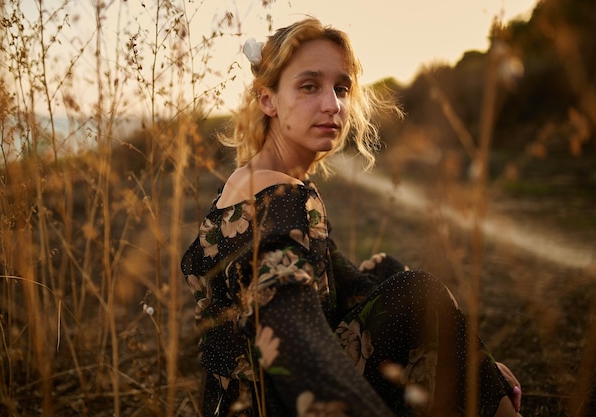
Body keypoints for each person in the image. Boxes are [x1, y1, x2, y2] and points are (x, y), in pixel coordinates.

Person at [181, 17, 522, 417]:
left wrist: (473, 366)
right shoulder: (281, 200)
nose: (333, 105)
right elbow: (292, 332)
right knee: (417, 292)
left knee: (386, 269)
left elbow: (346, 280)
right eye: (309, 86)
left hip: (234, 403)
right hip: (271, 404)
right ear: (268, 100)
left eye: (341, 88)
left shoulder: (250, 181)